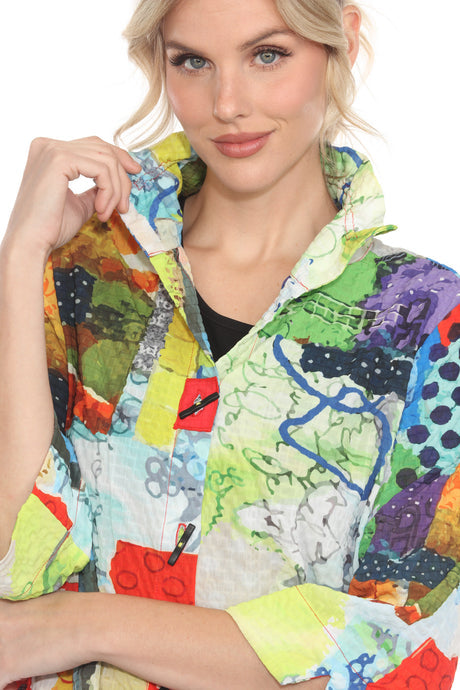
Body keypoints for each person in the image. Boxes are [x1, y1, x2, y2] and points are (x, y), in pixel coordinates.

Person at [0, 0, 459, 688]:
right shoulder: (88, 275)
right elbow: (13, 567)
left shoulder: (429, 322)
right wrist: (20, 256)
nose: (227, 104)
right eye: (193, 61)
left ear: (342, 42)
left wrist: (80, 624)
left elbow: (401, 647)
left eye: (267, 55)